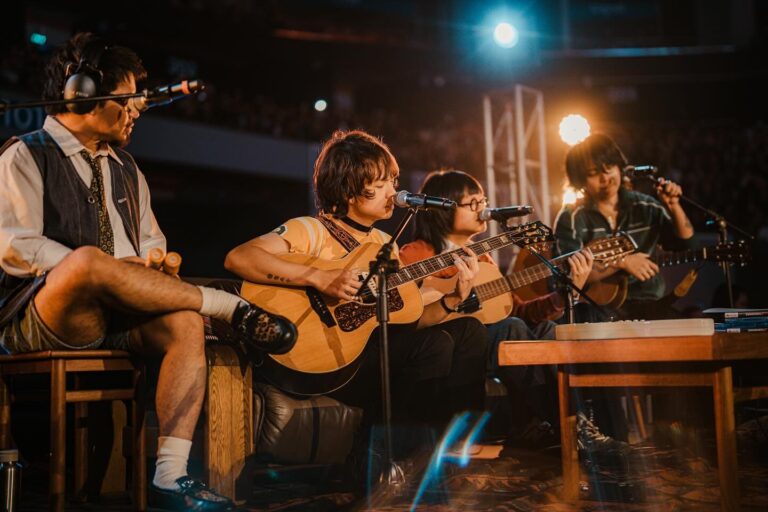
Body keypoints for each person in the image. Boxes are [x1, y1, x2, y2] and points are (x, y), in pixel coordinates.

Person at [0, 33, 296, 511]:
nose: (139, 106)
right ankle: (225, 306)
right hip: (41, 314)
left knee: (183, 322)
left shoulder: (128, 169)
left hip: (118, 311)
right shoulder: (24, 154)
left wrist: (158, 266)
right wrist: (102, 267)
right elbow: (15, 248)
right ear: (85, 92)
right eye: (130, 94)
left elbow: (153, 245)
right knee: (88, 261)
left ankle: (171, 476)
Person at [225, 130, 489, 432]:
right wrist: (320, 277)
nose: (393, 192)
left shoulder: (385, 244)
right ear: (349, 192)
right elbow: (240, 257)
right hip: (320, 360)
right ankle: (404, 462)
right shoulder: (311, 230)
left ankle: (463, 446)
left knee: (470, 330)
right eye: (381, 184)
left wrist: (452, 300)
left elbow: (403, 323)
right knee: (436, 345)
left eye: (394, 181)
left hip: (367, 354)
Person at [398, 169, 593, 443]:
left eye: (484, 201)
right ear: (443, 208)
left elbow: (514, 311)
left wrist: (564, 296)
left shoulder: (485, 256)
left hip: (494, 341)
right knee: (511, 329)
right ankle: (551, 425)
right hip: (457, 348)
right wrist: (452, 298)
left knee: (548, 329)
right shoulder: (417, 253)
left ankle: (572, 424)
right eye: (473, 203)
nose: (484, 209)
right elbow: (407, 310)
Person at [553, 133, 696, 321]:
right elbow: (567, 273)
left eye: (609, 168)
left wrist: (674, 206)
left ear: (620, 167)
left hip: (650, 301)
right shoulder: (571, 216)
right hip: (596, 310)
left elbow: (687, 246)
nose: (605, 178)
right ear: (580, 180)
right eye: (593, 173)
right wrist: (622, 262)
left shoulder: (646, 207)